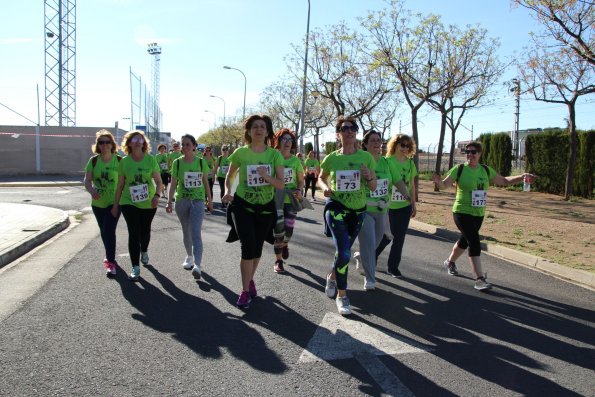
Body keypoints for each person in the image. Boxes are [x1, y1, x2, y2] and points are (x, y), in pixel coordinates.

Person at [433, 141, 537, 290]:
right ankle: (479, 279)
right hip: (462, 211)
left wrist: (521, 177)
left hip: (478, 213)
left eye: (473, 152)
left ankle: (449, 262)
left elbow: (504, 181)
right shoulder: (459, 169)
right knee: (474, 242)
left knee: (464, 241)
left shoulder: (486, 170)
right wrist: (438, 182)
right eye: (467, 152)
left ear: (480, 154)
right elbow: (444, 185)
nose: (470, 154)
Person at [221, 115, 285, 308]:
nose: (258, 129)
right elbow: (230, 176)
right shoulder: (241, 153)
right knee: (247, 246)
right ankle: (244, 291)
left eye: (262, 127)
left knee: (257, 249)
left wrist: (266, 176)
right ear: (249, 131)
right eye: (255, 126)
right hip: (242, 205)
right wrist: (227, 191)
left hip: (265, 208)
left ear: (267, 132)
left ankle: (249, 280)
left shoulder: (274, 155)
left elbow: (281, 184)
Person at [319, 116, 376, 315]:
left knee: (343, 252)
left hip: (358, 211)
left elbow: (373, 185)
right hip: (336, 208)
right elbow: (321, 176)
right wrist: (325, 187)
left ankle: (332, 277)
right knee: (344, 252)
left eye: (353, 128)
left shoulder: (366, 158)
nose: (349, 131)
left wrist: (369, 176)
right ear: (338, 133)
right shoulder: (332, 158)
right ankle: (342, 296)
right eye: (345, 128)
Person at [111, 131, 162, 281]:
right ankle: (135, 267)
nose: (138, 141)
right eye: (134, 139)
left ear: (144, 142)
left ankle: (144, 250)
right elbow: (120, 185)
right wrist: (115, 205)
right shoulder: (124, 162)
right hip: (128, 201)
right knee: (134, 232)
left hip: (148, 202)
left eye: (140, 139)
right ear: (129, 143)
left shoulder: (150, 160)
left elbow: (159, 182)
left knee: (145, 230)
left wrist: (157, 196)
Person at [166, 134, 213, 280]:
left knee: (196, 232)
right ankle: (189, 256)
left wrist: (209, 200)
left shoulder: (200, 162)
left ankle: (198, 265)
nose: (185, 147)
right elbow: (173, 183)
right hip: (182, 201)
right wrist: (169, 201)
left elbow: (206, 182)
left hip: (198, 201)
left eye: (188, 144)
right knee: (186, 231)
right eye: (183, 144)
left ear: (194, 146)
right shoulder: (177, 163)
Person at [353, 130, 392, 290]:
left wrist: (406, 195)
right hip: (364, 210)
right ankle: (370, 278)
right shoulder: (360, 161)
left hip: (382, 210)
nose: (377, 143)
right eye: (373, 140)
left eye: (379, 140)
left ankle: (360, 255)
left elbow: (395, 181)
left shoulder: (387, 162)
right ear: (366, 144)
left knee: (374, 243)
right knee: (369, 243)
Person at [83, 130, 121, 277]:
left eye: (107, 142)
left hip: (115, 202)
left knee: (109, 230)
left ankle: (110, 263)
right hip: (98, 203)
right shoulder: (93, 161)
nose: (104, 145)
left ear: (112, 144)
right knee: (103, 231)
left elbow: (125, 180)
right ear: (98, 145)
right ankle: (109, 254)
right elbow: (87, 180)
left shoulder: (119, 161)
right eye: (101, 142)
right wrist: (92, 191)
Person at [383, 134, 418, 278]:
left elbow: (411, 185)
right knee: (386, 236)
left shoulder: (410, 163)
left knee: (400, 238)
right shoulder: (387, 161)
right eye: (402, 145)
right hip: (389, 205)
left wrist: (413, 204)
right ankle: (370, 257)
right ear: (395, 145)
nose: (405, 148)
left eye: (407, 146)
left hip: (405, 206)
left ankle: (393, 267)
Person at [272, 128, 305, 273]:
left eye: (290, 140)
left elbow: (300, 180)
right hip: (276, 199)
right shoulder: (272, 157)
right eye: (284, 139)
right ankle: (278, 261)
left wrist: (299, 190)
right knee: (278, 231)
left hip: (291, 199)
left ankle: (285, 244)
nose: (287, 142)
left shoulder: (295, 160)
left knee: (289, 231)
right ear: (278, 142)